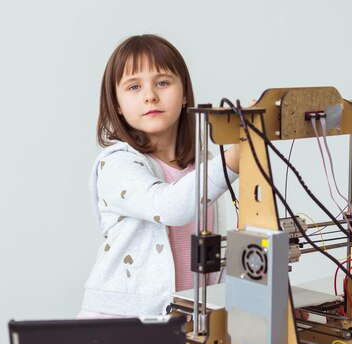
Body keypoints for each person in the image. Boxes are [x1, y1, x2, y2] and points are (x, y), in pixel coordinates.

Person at [78, 34, 239, 318]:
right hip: (117, 327)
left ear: (185, 92)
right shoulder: (117, 164)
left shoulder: (202, 166)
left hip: (184, 325)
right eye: (134, 86)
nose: (150, 95)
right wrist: (234, 160)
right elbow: (169, 207)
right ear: (116, 103)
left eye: (162, 82)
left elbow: (214, 255)